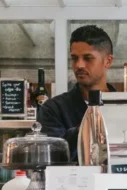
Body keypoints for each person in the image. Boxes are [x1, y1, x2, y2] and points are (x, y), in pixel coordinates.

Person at [37, 25, 116, 162]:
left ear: (107, 61)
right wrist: (87, 127)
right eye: (74, 58)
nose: (79, 65)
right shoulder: (53, 109)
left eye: (88, 58)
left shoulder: (124, 107)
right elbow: (51, 158)